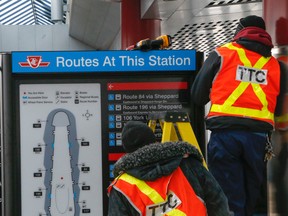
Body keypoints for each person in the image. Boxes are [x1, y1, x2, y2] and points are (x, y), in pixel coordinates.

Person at [190, 15, 288, 216]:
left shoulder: (221, 54)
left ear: (239, 31)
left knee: (227, 196)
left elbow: (197, 96)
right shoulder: (277, 67)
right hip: (258, 140)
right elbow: (277, 111)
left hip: (225, 136)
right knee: (256, 197)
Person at [107, 120, 232, 216]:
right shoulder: (187, 163)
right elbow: (217, 200)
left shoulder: (121, 186)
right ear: (154, 140)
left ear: (127, 150)